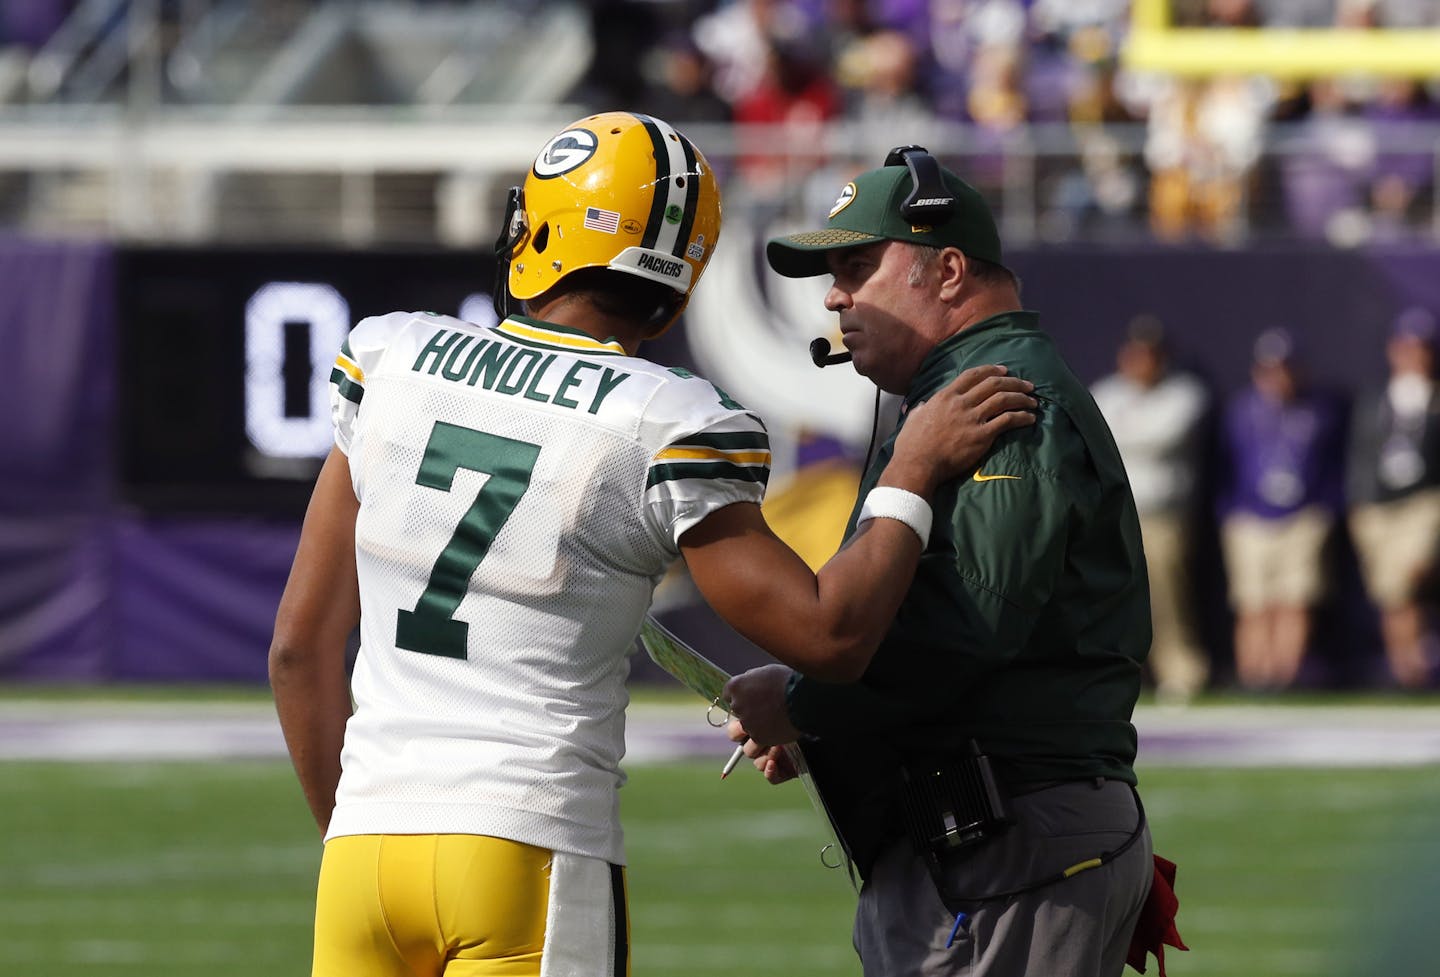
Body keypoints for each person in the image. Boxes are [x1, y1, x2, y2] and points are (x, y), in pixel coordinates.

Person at [268, 113, 1038, 977]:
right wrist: (914, 465)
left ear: (539, 231)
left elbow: (299, 649)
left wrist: (361, 827)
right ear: (679, 281)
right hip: (529, 845)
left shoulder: (392, 355)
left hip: (366, 851)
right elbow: (829, 634)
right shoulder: (663, 418)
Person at [723, 148, 1179, 977]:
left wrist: (804, 701)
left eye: (857, 266)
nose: (834, 295)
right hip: (993, 842)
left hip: (1014, 842)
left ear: (948, 270)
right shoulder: (947, 393)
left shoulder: (999, 394)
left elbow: (966, 624)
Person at [1091, 314, 1212, 703]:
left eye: (1151, 354)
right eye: (1136, 353)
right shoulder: (1106, 392)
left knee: (1165, 597)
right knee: (1113, 598)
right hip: (1114, 514)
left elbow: (1163, 437)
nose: (1142, 361)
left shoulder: (1185, 394)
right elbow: (1096, 440)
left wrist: (1123, 437)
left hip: (1161, 516)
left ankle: (1180, 671)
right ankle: (1120, 672)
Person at [1218, 326, 1345, 690]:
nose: (1278, 377)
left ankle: (1284, 678)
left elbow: (1333, 466)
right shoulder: (1241, 411)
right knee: (1253, 604)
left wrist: (1324, 510)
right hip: (1250, 517)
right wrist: (1231, 512)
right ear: (1258, 372)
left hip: (1303, 517)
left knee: (1294, 600)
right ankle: (1254, 678)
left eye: (1285, 368)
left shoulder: (1321, 411)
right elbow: (1224, 465)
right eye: (1270, 369)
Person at [1346, 307, 1440, 687]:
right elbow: (1362, 455)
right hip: (1378, 507)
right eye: (1406, 347)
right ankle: (1404, 667)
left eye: (1420, 348)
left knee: (1407, 578)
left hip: (1423, 503)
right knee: (1390, 592)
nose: (1413, 355)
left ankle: (1414, 664)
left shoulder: (1434, 401)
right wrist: (1359, 506)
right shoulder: (1376, 400)